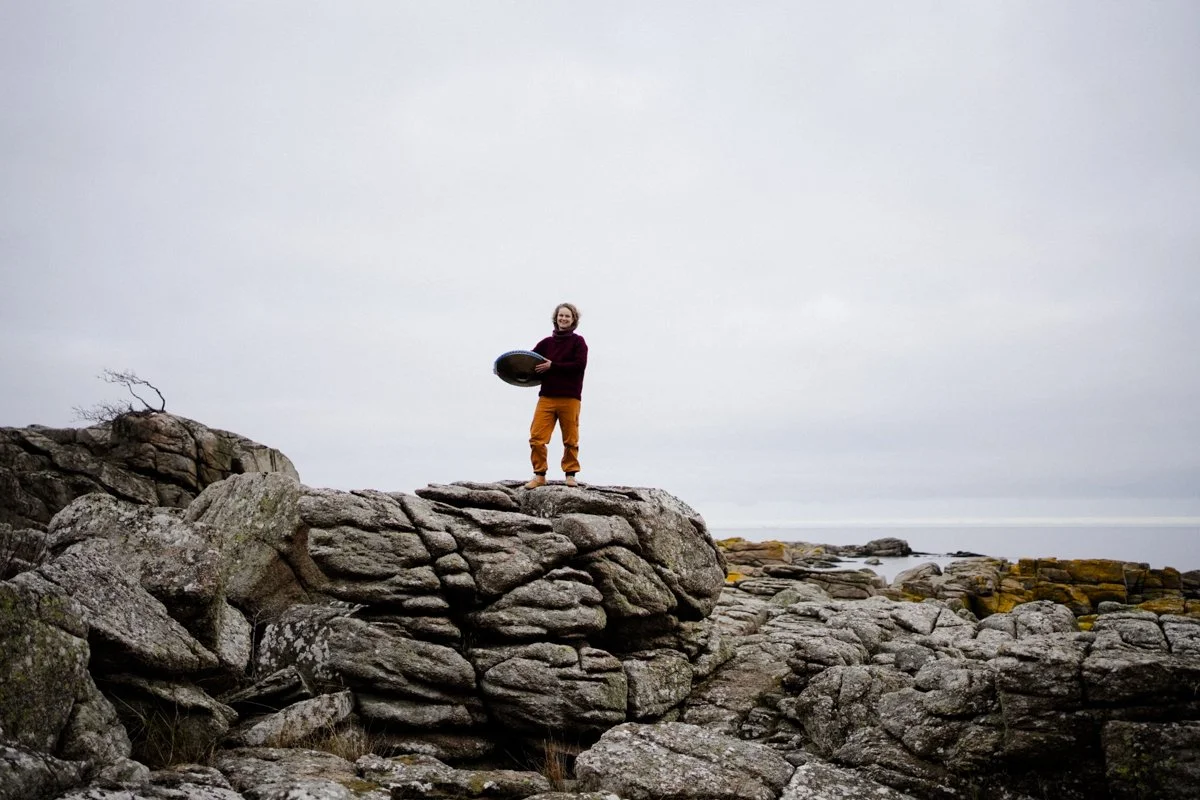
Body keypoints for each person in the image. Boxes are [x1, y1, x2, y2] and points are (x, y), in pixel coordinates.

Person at [525, 302, 588, 489]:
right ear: (556, 318)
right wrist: (506, 369)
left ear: (573, 320)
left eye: (567, 316)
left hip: (570, 397)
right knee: (536, 437)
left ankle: (570, 474)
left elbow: (579, 366)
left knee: (570, 439)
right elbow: (528, 362)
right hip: (547, 397)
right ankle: (539, 475)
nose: (563, 319)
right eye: (561, 315)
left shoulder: (578, 342)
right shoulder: (546, 343)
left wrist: (553, 366)